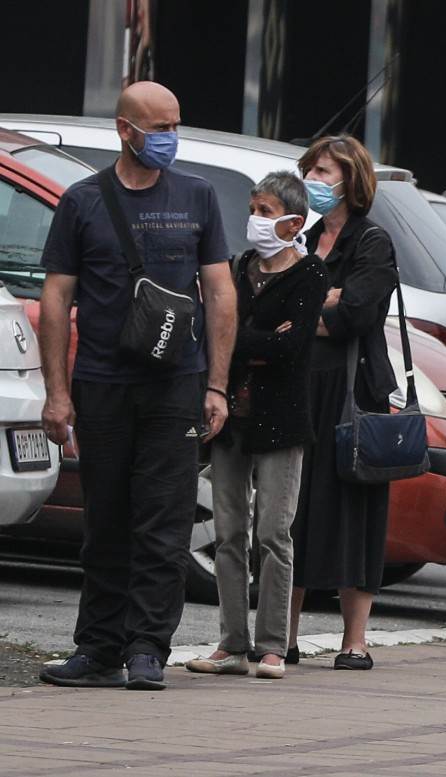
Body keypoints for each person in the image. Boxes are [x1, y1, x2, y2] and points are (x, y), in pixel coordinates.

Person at [37, 81, 235, 690]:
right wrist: (57, 392)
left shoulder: (198, 197)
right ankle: (97, 649)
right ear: (126, 130)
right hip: (100, 383)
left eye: (176, 124)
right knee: (107, 519)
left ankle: (148, 648)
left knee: (165, 520)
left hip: (176, 385)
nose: (171, 138)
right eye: (159, 128)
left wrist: (217, 385)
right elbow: (55, 299)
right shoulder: (82, 201)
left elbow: (221, 294)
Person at [185, 173, 327, 680]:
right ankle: (231, 642)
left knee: (274, 532)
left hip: (282, 419)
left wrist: (240, 336)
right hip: (229, 415)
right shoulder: (239, 266)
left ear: (293, 220)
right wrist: (256, 337)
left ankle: (271, 645)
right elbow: (210, 328)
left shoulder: (311, 273)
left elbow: (293, 349)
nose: (256, 220)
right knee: (228, 532)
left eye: (266, 211)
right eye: (254, 209)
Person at [288, 134, 398, 671]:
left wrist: (312, 308)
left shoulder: (372, 242)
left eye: (325, 172)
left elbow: (356, 314)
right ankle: (278, 635)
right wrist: (321, 303)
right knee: (292, 509)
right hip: (300, 387)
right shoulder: (302, 238)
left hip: (354, 391)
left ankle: (354, 639)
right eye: (310, 171)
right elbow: (270, 306)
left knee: (354, 510)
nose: (314, 181)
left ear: (352, 182)